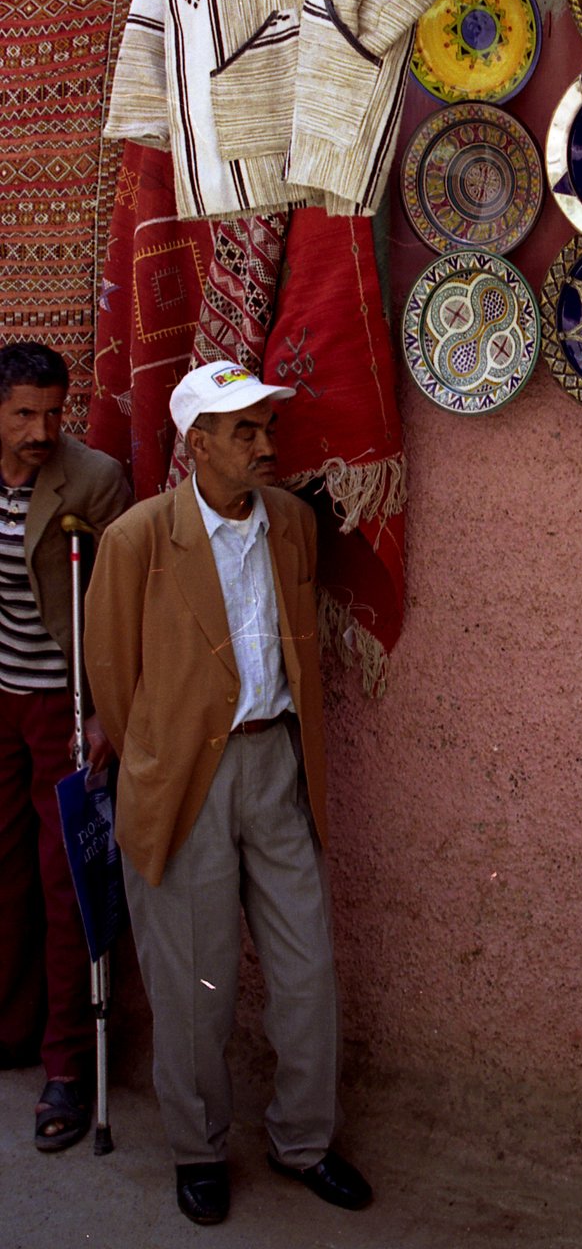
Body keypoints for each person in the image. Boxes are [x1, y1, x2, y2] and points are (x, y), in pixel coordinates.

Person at [84, 360, 371, 1226]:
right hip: (183, 776)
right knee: (192, 985)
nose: (264, 443)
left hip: (275, 761)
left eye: (266, 427)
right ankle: (199, 1150)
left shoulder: (291, 523)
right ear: (196, 443)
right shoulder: (138, 538)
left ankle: (303, 1142)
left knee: (306, 968)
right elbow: (114, 677)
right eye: (243, 430)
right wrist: (157, 760)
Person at [0, 341, 130, 1151]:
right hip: (0, 700)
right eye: (24, 414)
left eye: (53, 413)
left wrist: (107, 711)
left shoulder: (93, 480)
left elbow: (120, 602)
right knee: (5, 869)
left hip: (61, 703)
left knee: (64, 882)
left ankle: (67, 1066)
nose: (41, 431)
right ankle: (12, 1027)